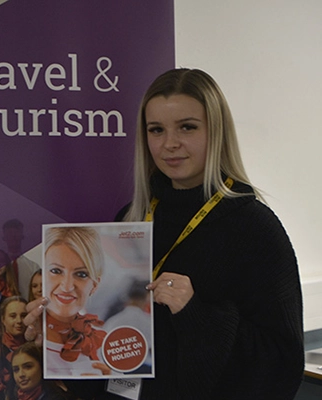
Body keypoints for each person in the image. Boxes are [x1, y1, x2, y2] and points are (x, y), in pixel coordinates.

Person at [24, 68, 304, 399]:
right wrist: (56, 337)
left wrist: (196, 313)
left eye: (187, 127)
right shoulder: (130, 220)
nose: (170, 144)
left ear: (217, 132)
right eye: (156, 130)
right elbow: (111, 365)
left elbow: (282, 366)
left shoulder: (256, 229)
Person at [42, 227, 108, 377]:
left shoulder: (102, 343)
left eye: (81, 274)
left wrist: (109, 383)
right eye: (56, 271)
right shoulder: (26, 330)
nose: (67, 286)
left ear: (94, 285)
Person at [2, 219, 41, 300]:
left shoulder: (33, 267)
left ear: (22, 236)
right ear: (4, 238)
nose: (13, 237)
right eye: (10, 234)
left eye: (16, 234)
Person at [0, 296, 28, 363]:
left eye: (23, 315)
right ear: (3, 319)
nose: (19, 321)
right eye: (13, 316)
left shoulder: (35, 348)